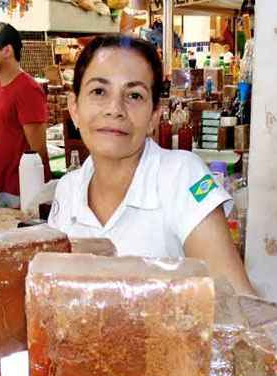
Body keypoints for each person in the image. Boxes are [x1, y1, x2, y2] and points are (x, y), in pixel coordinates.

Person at [48, 35, 255, 295]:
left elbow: (237, 300)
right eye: (99, 91)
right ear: (74, 107)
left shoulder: (182, 176)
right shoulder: (67, 191)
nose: (115, 109)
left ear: (154, 116)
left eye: (134, 95)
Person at [0, 23, 50, 209]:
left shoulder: (27, 89)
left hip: (23, 192)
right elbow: (3, 137)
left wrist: (35, 196)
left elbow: (38, 150)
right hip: (4, 191)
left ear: (7, 51)